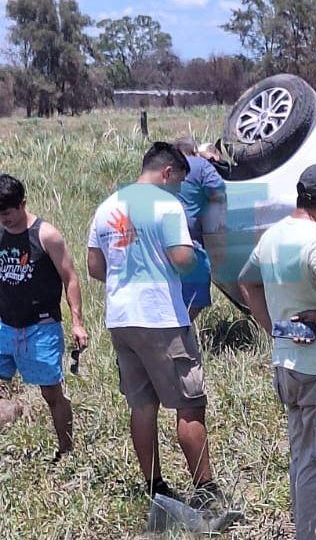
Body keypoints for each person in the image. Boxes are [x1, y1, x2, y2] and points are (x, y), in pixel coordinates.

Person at [85, 142, 219, 505]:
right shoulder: (166, 205)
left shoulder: (107, 206)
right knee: (189, 404)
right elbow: (181, 257)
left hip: (121, 317)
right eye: (179, 182)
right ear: (167, 172)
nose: (179, 190)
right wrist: (197, 260)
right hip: (160, 316)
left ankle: (155, 487)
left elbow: (95, 267)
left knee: (142, 405)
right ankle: (206, 492)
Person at [238, 163, 316, 540]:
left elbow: (247, 282)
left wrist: (276, 329)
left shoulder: (274, 235)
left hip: (290, 366)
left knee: (304, 459)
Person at [0, 174, 89, 461]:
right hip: (5, 324)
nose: (5, 220)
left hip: (40, 327)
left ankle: (66, 451)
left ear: (23, 203)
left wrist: (77, 322)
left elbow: (70, 278)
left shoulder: (46, 235)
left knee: (51, 393)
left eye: (8, 213)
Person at [174, 137, 226, 321]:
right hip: (189, 239)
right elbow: (219, 191)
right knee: (197, 293)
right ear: (194, 151)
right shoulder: (200, 165)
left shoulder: (164, 167)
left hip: (160, 238)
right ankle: (180, 328)